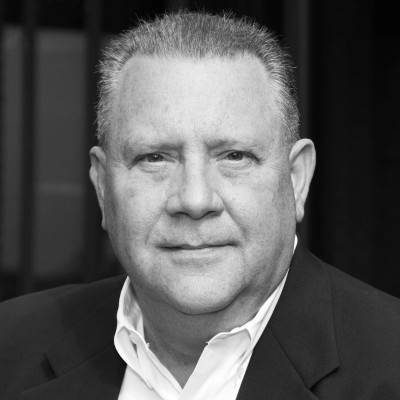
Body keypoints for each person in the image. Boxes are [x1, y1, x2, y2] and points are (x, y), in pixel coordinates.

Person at [1, 11, 400, 400]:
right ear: (104, 187)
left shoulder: (389, 364)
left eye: (234, 156)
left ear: (296, 179)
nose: (194, 200)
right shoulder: (11, 346)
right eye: (155, 158)